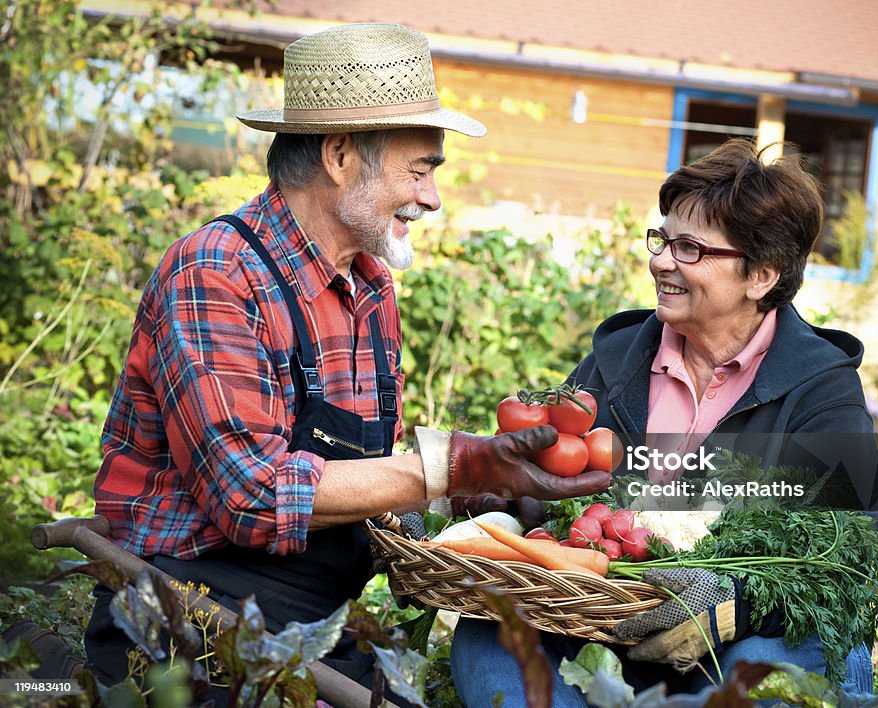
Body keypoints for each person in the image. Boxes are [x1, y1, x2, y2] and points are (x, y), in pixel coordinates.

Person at [84, 23, 610, 701]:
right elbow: (250, 497)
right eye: (419, 170)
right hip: (184, 611)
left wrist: (466, 496)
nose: (432, 197)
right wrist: (453, 462)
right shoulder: (216, 271)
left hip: (316, 616)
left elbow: (351, 474)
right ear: (338, 155)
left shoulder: (369, 287)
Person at [451, 139, 878, 705]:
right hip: (612, 626)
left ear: (761, 275)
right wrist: (475, 499)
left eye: (690, 248)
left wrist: (732, 607)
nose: (660, 260)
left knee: (784, 668)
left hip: (750, 635)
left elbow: (844, 546)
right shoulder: (616, 362)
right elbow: (554, 486)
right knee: (489, 639)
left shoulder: (821, 387)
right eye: (662, 239)